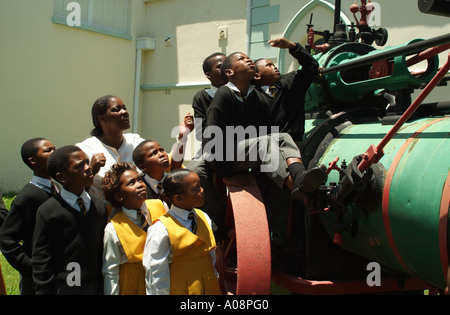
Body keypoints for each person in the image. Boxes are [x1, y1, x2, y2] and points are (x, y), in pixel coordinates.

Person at [205, 52, 326, 200]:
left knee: (283, 137)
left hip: (245, 151)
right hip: (223, 157)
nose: (248, 59)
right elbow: (212, 135)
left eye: (248, 58)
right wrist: (225, 175)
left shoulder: (256, 97)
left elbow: (262, 130)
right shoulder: (225, 94)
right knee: (267, 143)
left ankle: (300, 178)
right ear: (229, 72)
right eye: (241, 59)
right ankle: (300, 191)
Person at [76, 95, 193, 203]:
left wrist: (182, 138)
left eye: (124, 108)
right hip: (106, 217)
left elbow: (170, 167)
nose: (125, 112)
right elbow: (75, 189)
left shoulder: (135, 141)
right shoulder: (85, 149)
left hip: (144, 213)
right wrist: (92, 169)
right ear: (101, 119)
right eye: (117, 109)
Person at [32, 145, 107, 295]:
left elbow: (101, 247)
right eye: (80, 166)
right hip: (64, 286)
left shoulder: (98, 205)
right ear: (62, 177)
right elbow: (41, 256)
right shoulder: (49, 210)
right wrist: (44, 289)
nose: (88, 168)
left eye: (87, 162)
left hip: (94, 284)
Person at [143, 169, 221, 295]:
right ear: (178, 198)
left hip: (210, 285)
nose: (202, 191)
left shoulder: (204, 217)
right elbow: (155, 272)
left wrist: (215, 277)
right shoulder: (161, 229)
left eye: (200, 186)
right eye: (196, 189)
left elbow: (210, 255)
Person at [0, 138, 56, 295]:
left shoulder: (56, 188)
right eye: (48, 150)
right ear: (32, 161)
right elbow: (7, 239)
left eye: (54, 148)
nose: (54, 153)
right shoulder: (28, 197)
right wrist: (31, 267)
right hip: (36, 279)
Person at [102, 162, 165, 295]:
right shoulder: (113, 228)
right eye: (131, 183)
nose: (140, 184)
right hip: (133, 286)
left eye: (140, 180)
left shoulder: (160, 206)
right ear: (119, 196)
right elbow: (110, 271)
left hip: (163, 283)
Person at [253, 38, 319, 143]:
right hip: (263, 148)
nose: (274, 67)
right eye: (268, 66)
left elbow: (311, 66)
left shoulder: (292, 82)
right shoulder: (251, 94)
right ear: (256, 76)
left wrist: (291, 46)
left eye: (273, 65)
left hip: (291, 146)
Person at [132, 140, 174, 209]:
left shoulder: (175, 181)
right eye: (153, 153)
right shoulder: (139, 188)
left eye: (162, 150)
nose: (162, 154)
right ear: (142, 167)